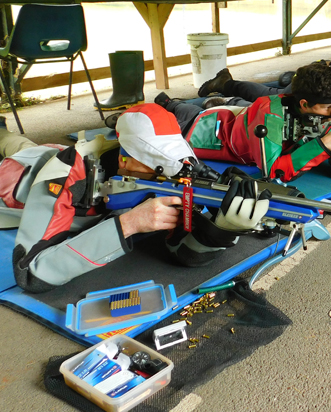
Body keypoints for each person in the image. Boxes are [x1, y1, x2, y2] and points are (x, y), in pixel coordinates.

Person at [0, 106, 270, 293]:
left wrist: (221, 230)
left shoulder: (154, 176)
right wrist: (129, 224)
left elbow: (184, 251)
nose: (165, 180)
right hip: (17, 176)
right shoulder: (66, 175)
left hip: (46, 149)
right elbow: (30, 272)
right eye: (156, 171)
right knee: (20, 153)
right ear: (124, 158)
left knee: (18, 142)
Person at [157, 62, 331, 185]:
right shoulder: (270, 117)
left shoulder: (314, 114)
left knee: (233, 105)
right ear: (304, 104)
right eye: (328, 107)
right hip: (206, 132)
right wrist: (322, 146)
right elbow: (273, 173)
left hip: (240, 118)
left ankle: (214, 100)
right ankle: (170, 102)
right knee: (179, 111)